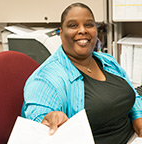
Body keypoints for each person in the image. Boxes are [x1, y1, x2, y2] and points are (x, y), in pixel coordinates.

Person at [21, 2, 142, 144]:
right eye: (73, 25)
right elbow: (39, 124)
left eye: (89, 24)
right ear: (61, 33)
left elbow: (133, 97)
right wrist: (47, 120)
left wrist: (139, 123)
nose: (82, 30)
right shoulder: (44, 79)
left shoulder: (108, 61)